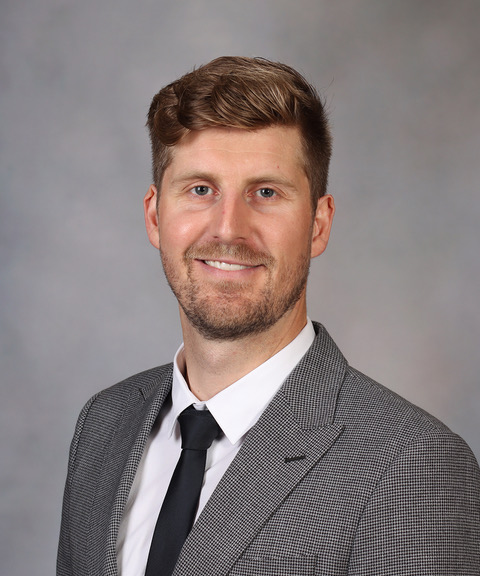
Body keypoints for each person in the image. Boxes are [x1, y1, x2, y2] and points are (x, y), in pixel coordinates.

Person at [57, 56, 480, 576]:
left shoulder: (411, 464)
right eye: (200, 189)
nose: (228, 229)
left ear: (318, 224)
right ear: (154, 215)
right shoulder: (104, 424)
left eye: (266, 192)